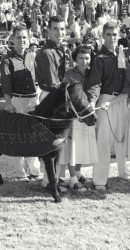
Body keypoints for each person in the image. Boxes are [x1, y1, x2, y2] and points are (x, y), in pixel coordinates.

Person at [87, 21, 130, 191]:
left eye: (115, 34)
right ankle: (99, 180)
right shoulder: (99, 58)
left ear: (119, 36)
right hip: (105, 101)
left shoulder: (122, 54)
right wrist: (92, 101)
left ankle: (122, 172)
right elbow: (95, 83)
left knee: (121, 139)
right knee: (104, 142)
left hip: (121, 100)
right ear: (102, 36)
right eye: (108, 34)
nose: (112, 38)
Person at [1, 25, 42, 182]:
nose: (22, 40)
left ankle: (34, 171)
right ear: (12, 39)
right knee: (18, 136)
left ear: (29, 38)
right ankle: (20, 173)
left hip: (34, 98)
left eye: (25, 37)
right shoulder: (7, 59)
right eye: (19, 37)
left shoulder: (34, 56)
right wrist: (9, 103)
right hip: (17, 100)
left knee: (34, 135)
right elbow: (6, 83)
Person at [58, 44, 98, 189]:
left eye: (87, 58)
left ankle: (79, 172)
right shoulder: (69, 74)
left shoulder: (92, 73)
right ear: (75, 59)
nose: (84, 61)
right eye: (80, 58)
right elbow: (64, 94)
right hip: (74, 116)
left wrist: (92, 102)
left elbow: (96, 87)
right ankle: (72, 178)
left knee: (82, 146)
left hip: (87, 114)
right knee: (72, 147)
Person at [35, 15, 66, 188]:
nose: (60, 32)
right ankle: (48, 182)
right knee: (52, 142)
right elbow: (54, 84)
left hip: (56, 96)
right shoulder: (46, 52)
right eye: (56, 29)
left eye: (62, 29)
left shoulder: (60, 49)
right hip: (51, 97)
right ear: (48, 31)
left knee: (56, 141)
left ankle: (52, 178)